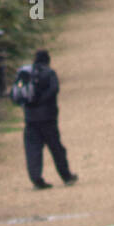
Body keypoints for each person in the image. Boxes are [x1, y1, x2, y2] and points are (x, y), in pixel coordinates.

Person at [19, 49, 78, 190]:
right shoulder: (49, 73)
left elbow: (19, 94)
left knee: (32, 150)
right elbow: (54, 89)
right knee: (56, 148)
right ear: (47, 60)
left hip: (30, 119)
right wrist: (42, 101)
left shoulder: (26, 73)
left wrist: (30, 105)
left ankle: (36, 180)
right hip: (48, 119)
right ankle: (66, 176)